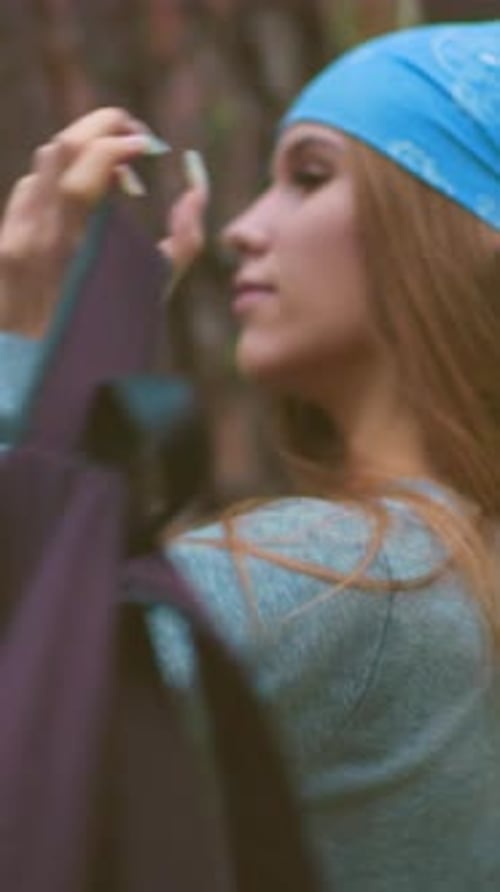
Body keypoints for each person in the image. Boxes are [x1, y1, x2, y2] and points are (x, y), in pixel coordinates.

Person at [1, 18, 500, 891]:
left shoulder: (356, 583)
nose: (241, 228)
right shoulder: (448, 577)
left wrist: (35, 353)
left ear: (459, 234)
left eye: (309, 177)